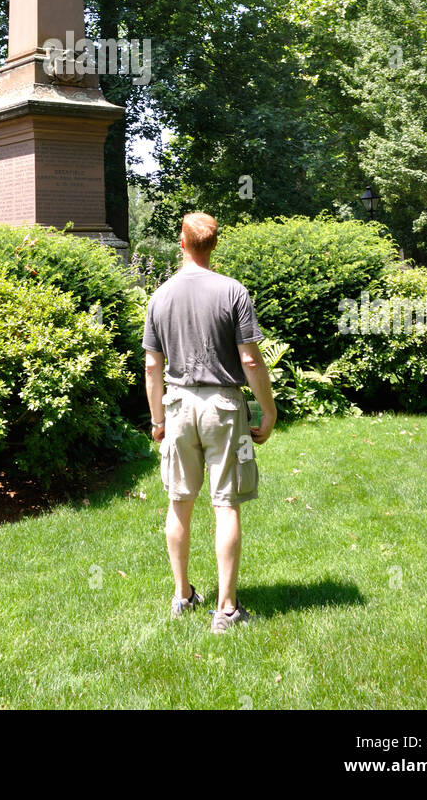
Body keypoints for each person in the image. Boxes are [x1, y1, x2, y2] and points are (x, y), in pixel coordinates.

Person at [143, 211, 277, 632]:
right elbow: (251, 359)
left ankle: (182, 595)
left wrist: (156, 419)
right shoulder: (233, 291)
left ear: (181, 244)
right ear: (213, 245)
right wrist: (268, 411)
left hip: (179, 406)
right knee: (226, 504)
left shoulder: (160, 296)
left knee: (179, 501)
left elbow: (152, 366)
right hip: (223, 407)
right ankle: (226, 609)